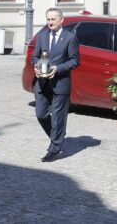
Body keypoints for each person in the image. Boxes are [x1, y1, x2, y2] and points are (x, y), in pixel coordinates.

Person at [33, 8, 80, 162]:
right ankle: (57, 136)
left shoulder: (70, 37)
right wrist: (36, 66)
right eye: (48, 19)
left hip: (60, 83)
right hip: (42, 82)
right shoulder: (42, 35)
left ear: (61, 20)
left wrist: (58, 69)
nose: (50, 22)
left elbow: (75, 61)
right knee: (41, 114)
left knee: (58, 117)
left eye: (53, 19)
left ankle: (54, 148)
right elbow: (35, 56)